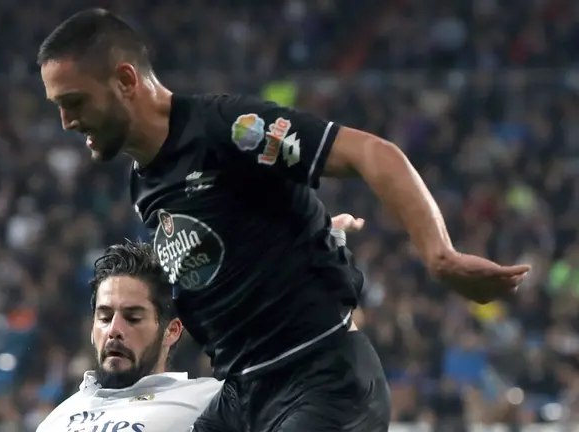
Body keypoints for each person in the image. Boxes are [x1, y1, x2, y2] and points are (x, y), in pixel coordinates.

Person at [36, 9, 530, 431]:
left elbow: (373, 153)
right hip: (245, 394)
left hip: (321, 382)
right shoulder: (144, 183)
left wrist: (440, 257)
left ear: (125, 81)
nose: (66, 122)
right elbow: (217, 265)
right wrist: (302, 234)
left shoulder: (228, 129)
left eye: (74, 102)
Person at [37, 217, 362, 432]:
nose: (114, 329)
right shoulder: (56, 419)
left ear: (172, 330)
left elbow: (328, 385)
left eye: (133, 317)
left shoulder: (208, 401)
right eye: (105, 317)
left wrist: (324, 254)